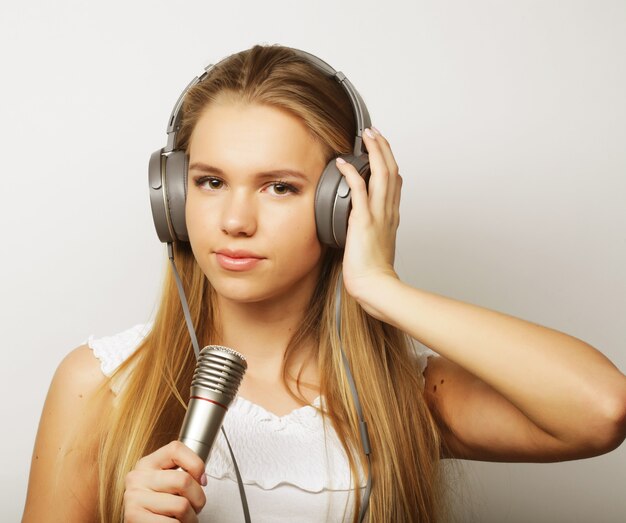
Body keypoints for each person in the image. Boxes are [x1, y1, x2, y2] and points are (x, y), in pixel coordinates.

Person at [23, 44, 626, 523]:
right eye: (209, 182)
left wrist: (382, 286)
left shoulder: (397, 397)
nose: (234, 221)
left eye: (278, 186)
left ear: (342, 206)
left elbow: (602, 410)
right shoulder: (100, 385)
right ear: (173, 198)